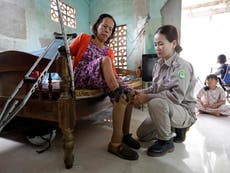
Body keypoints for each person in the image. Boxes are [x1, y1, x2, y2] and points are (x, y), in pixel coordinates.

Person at [69, 13, 140, 160]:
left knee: (129, 94)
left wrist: (126, 87)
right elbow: (67, 52)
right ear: (97, 26)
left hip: (100, 77)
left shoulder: (109, 51)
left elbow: (112, 74)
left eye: (110, 29)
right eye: (104, 26)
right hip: (82, 76)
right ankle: (117, 93)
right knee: (107, 66)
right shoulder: (84, 38)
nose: (107, 30)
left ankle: (121, 138)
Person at [134, 25, 197, 157]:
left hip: (183, 109)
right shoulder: (158, 65)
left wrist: (147, 98)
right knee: (142, 135)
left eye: (161, 44)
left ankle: (166, 141)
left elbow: (175, 97)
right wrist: (141, 92)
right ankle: (174, 128)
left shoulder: (182, 67)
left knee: (155, 103)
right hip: (166, 108)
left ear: (174, 43)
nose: (157, 48)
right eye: (155, 44)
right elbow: (155, 88)